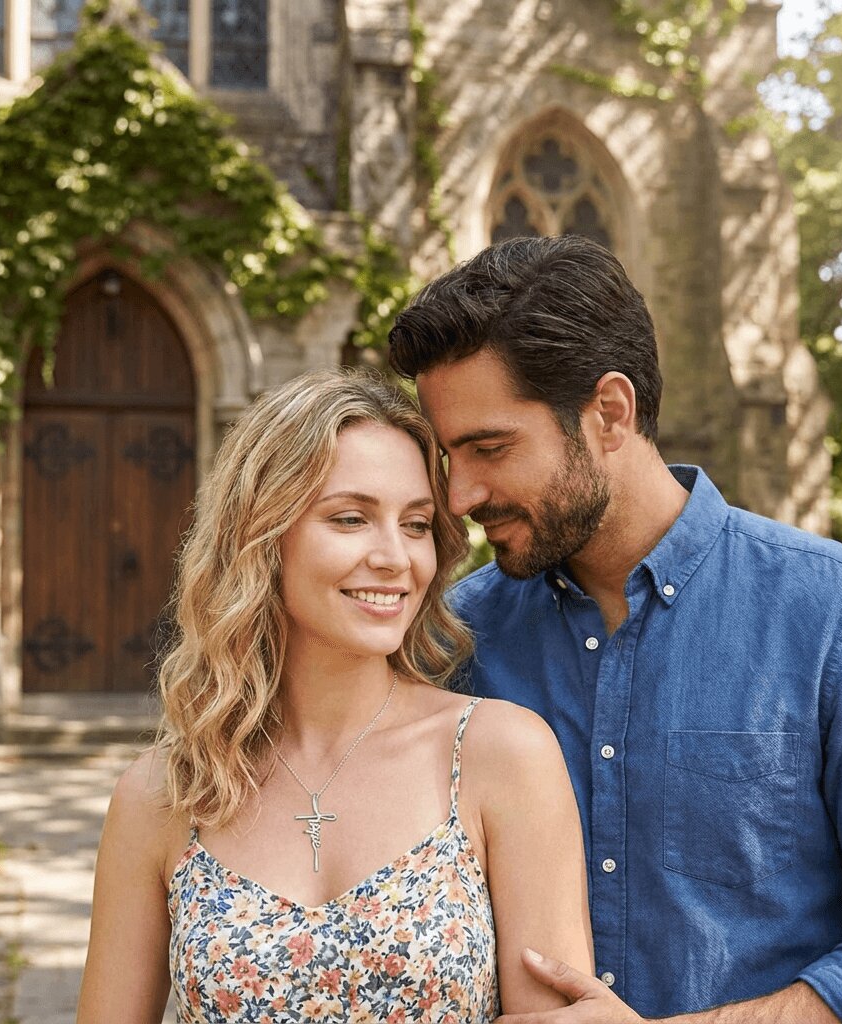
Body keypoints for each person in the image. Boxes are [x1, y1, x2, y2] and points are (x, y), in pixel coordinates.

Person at [388, 234, 842, 1024]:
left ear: (609, 413)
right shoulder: (453, 642)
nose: (460, 497)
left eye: (490, 448)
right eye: (450, 458)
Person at [75, 367, 593, 1023]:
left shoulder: (502, 756)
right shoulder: (161, 796)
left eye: (415, 524)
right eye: (350, 519)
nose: (394, 556)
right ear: (263, 537)